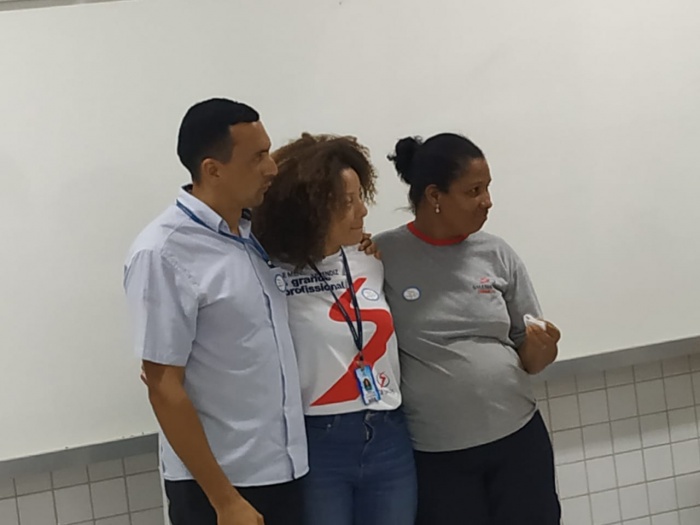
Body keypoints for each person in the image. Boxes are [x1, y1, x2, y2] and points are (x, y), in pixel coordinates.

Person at [123, 98, 308, 525]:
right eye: (258, 157)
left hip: (284, 471)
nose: (272, 169)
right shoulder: (164, 252)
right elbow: (163, 386)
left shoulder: (252, 235)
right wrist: (224, 500)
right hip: (223, 487)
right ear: (213, 169)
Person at [374, 133, 562, 525]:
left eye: (488, 188)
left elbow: (528, 353)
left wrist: (542, 350)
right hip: (438, 456)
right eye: (474, 191)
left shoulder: (497, 253)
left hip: (517, 440)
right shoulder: (382, 256)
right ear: (434, 196)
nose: (487, 201)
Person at [253, 133, 417, 525]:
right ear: (310, 208)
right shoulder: (268, 270)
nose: (362, 210)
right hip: (317, 439)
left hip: (387, 432)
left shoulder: (368, 259)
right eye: (347, 202)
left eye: (361, 197)